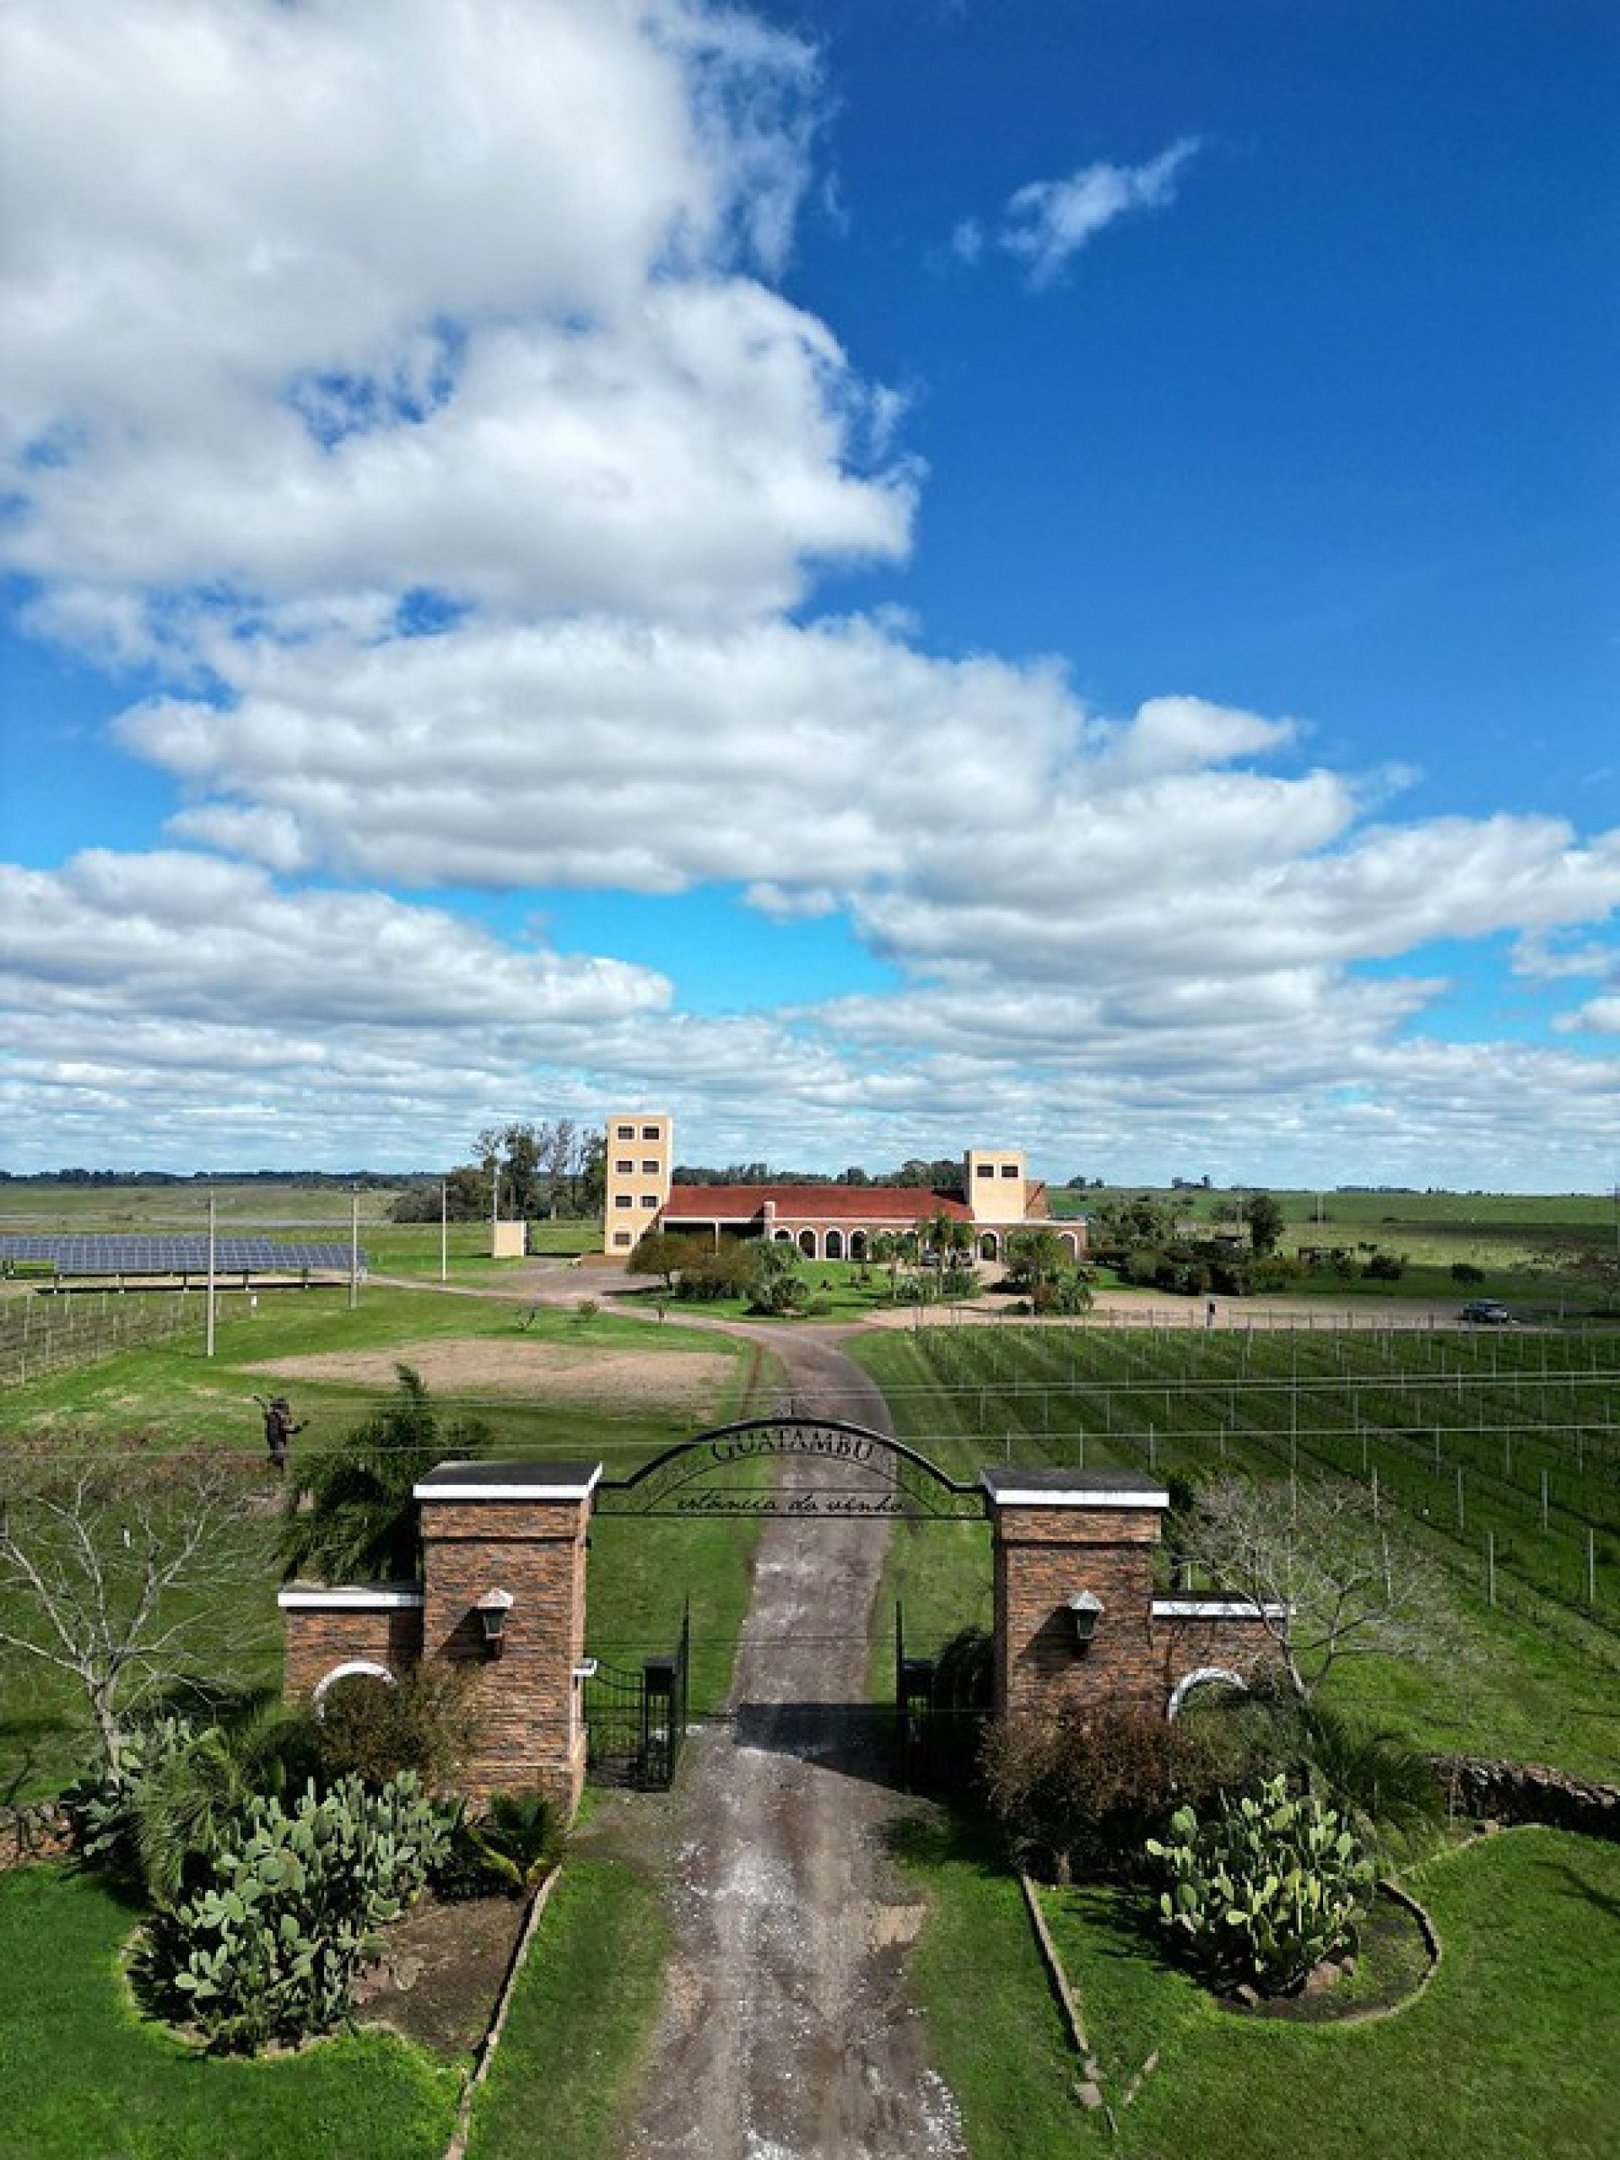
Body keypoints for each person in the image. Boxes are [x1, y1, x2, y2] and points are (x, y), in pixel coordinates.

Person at [257, 1394, 305, 1476]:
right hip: (276, 1438)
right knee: (282, 1456)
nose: (287, 1407)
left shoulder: (278, 1415)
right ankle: (278, 1474)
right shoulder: (277, 1416)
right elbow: (285, 1428)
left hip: (277, 1438)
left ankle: (267, 1470)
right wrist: (297, 1428)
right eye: (285, 1406)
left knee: (279, 1457)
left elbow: (286, 1427)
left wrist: (297, 1428)